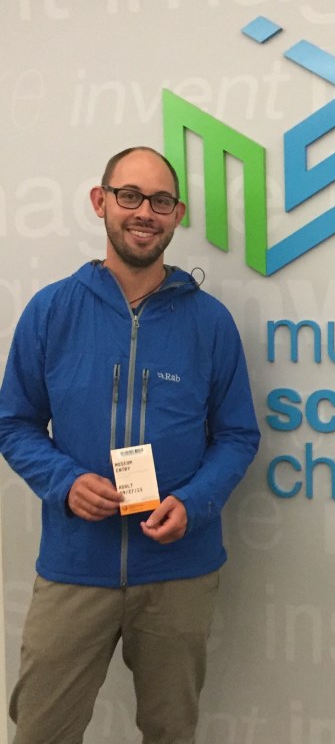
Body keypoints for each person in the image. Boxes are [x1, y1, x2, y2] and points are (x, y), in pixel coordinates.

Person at [0, 146, 261, 743]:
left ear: (178, 214)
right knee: (42, 731)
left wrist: (194, 503)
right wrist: (64, 482)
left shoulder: (210, 322)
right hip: (75, 567)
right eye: (130, 196)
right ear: (101, 202)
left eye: (161, 201)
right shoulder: (51, 311)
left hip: (178, 571)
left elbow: (237, 435)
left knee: (171, 731)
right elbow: (13, 422)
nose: (145, 212)